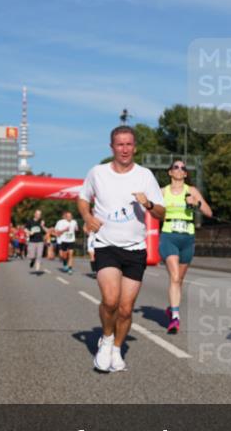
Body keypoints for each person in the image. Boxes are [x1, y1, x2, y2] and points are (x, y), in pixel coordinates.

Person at [78, 125, 165, 373]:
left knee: (126, 309)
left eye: (129, 144)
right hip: (106, 244)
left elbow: (161, 213)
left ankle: (117, 348)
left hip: (135, 249)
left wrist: (147, 203)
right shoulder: (98, 173)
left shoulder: (145, 176)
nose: (124, 149)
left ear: (134, 147)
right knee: (110, 300)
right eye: (120, 144)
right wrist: (86, 216)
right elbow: (83, 197)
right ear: (112, 147)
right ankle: (105, 339)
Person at [159, 159, 212, 334]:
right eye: (176, 167)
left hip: (187, 237)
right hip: (169, 236)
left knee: (179, 280)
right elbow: (152, 211)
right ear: (170, 172)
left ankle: (171, 307)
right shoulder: (162, 192)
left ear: (185, 174)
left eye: (183, 168)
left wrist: (195, 203)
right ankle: (175, 317)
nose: (180, 170)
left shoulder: (192, 191)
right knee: (174, 277)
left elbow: (209, 212)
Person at [54, 210, 80, 274]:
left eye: (70, 216)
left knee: (71, 255)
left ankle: (70, 269)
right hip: (64, 241)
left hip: (71, 240)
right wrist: (64, 230)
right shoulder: (62, 222)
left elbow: (77, 229)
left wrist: (76, 229)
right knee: (64, 256)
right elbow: (57, 232)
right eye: (68, 216)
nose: (69, 217)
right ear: (66, 217)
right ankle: (65, 264)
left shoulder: (74, 222)